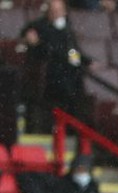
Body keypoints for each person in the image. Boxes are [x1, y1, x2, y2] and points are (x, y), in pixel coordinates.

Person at [20, 0, 92, 132]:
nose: (55, 12)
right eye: (52, 9)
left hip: (69, 72)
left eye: (58, 10)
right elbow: (33, 40)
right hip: (52, 72)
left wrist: (86, 62)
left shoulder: (67, 28)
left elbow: (73, 51)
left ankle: (74, 130)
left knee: (78, 83)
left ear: (64, 11)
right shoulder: (40, 25)